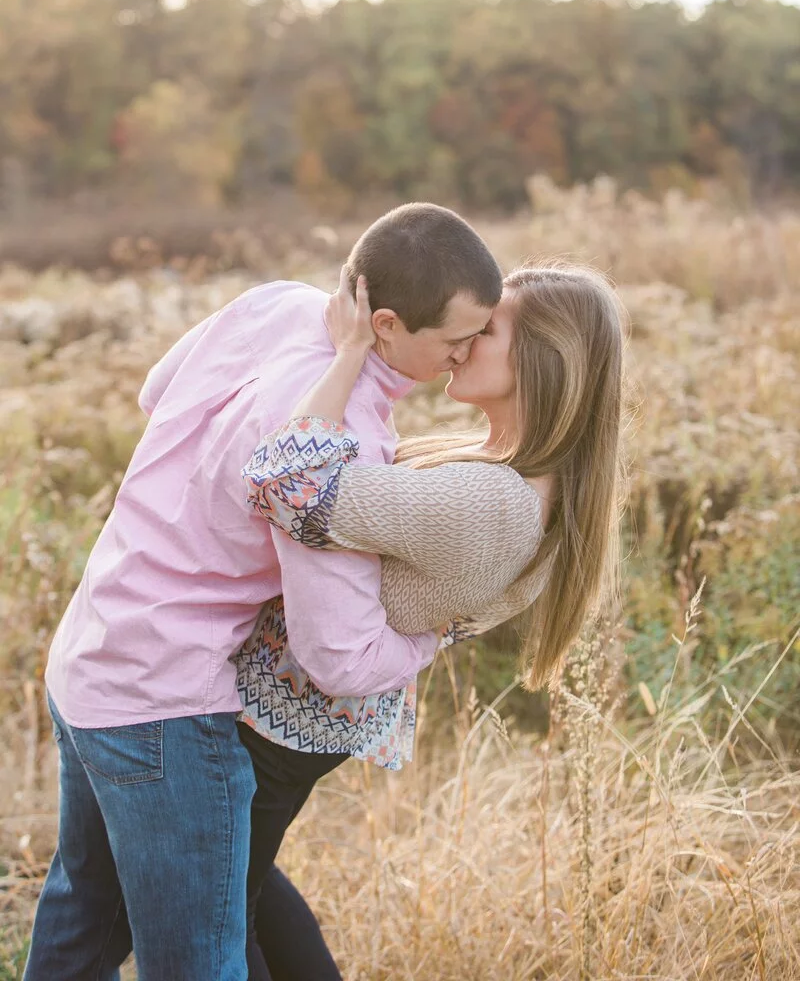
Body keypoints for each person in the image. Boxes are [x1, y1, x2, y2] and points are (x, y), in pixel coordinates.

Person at [24, 203, 503, 981]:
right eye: (455, 340)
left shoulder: (275, 301)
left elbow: (157, 393)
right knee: (201, 961)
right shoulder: (343, 443)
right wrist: (439, 630)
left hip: (91, 648)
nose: (468, 353)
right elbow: (338, 658)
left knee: (82, 919)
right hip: (163, 702)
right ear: (385, 323)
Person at [237, 259, 626, 979]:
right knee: (245, 890)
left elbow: (290, 487)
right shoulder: (501, 471)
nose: (464, 340)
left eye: (487, 328)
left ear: (543, 359)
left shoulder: (493, 503)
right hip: (306, 706)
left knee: (218, 907)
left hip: (284, 714)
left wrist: (351, 351)